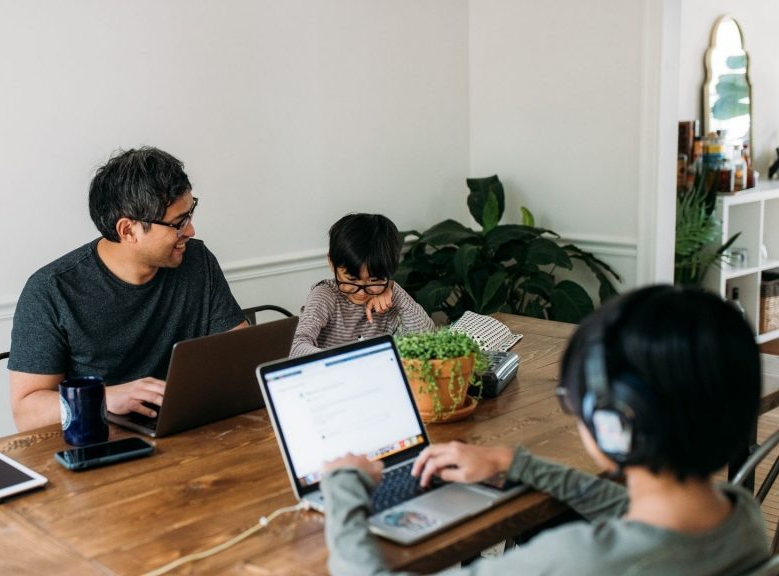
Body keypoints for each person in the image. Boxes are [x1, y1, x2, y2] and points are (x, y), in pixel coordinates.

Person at [321, 285, 769, 575]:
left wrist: (344, 484)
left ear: (614, 426)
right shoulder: (739, 516)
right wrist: (515, 464)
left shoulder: (578, 561)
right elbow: (622, 504)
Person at [8, 147, 246, 431]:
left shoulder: (197, 261)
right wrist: (106, 397)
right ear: (128, 230)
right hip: (100, 440)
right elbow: (26, 411)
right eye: (178, 223)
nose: (191, 231)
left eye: (189, 213)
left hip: (187, 429)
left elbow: (240, 354)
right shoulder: (51, 290)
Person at [291, 213, 434, 357]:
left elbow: (428, 341)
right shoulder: (326, 295)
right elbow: (296, 347)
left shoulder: (386, 298)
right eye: (351, 280)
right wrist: (349, 360)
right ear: (331, 263)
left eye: (374, 280)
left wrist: (394, 290)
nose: (361, 293)